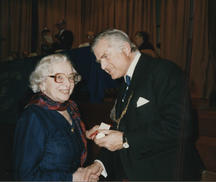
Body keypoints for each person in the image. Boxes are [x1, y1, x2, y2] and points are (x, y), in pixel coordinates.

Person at [87, 29, 205, 181]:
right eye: (99, 61)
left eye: (105, 57)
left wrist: (125, 139)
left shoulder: (164, 71)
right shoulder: (126, 82)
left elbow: (181, 127)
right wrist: (99, 163)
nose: (102, 66)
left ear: (125, 49)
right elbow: (128, 126)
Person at [13, 54, 102, 181]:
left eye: (71, 77)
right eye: (59, 77)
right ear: (42, 83)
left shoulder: (70, 108)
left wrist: (85, 133)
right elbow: (24, 176)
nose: (68, 84)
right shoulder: (33, 117)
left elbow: (58, 139)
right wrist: (72, 178)